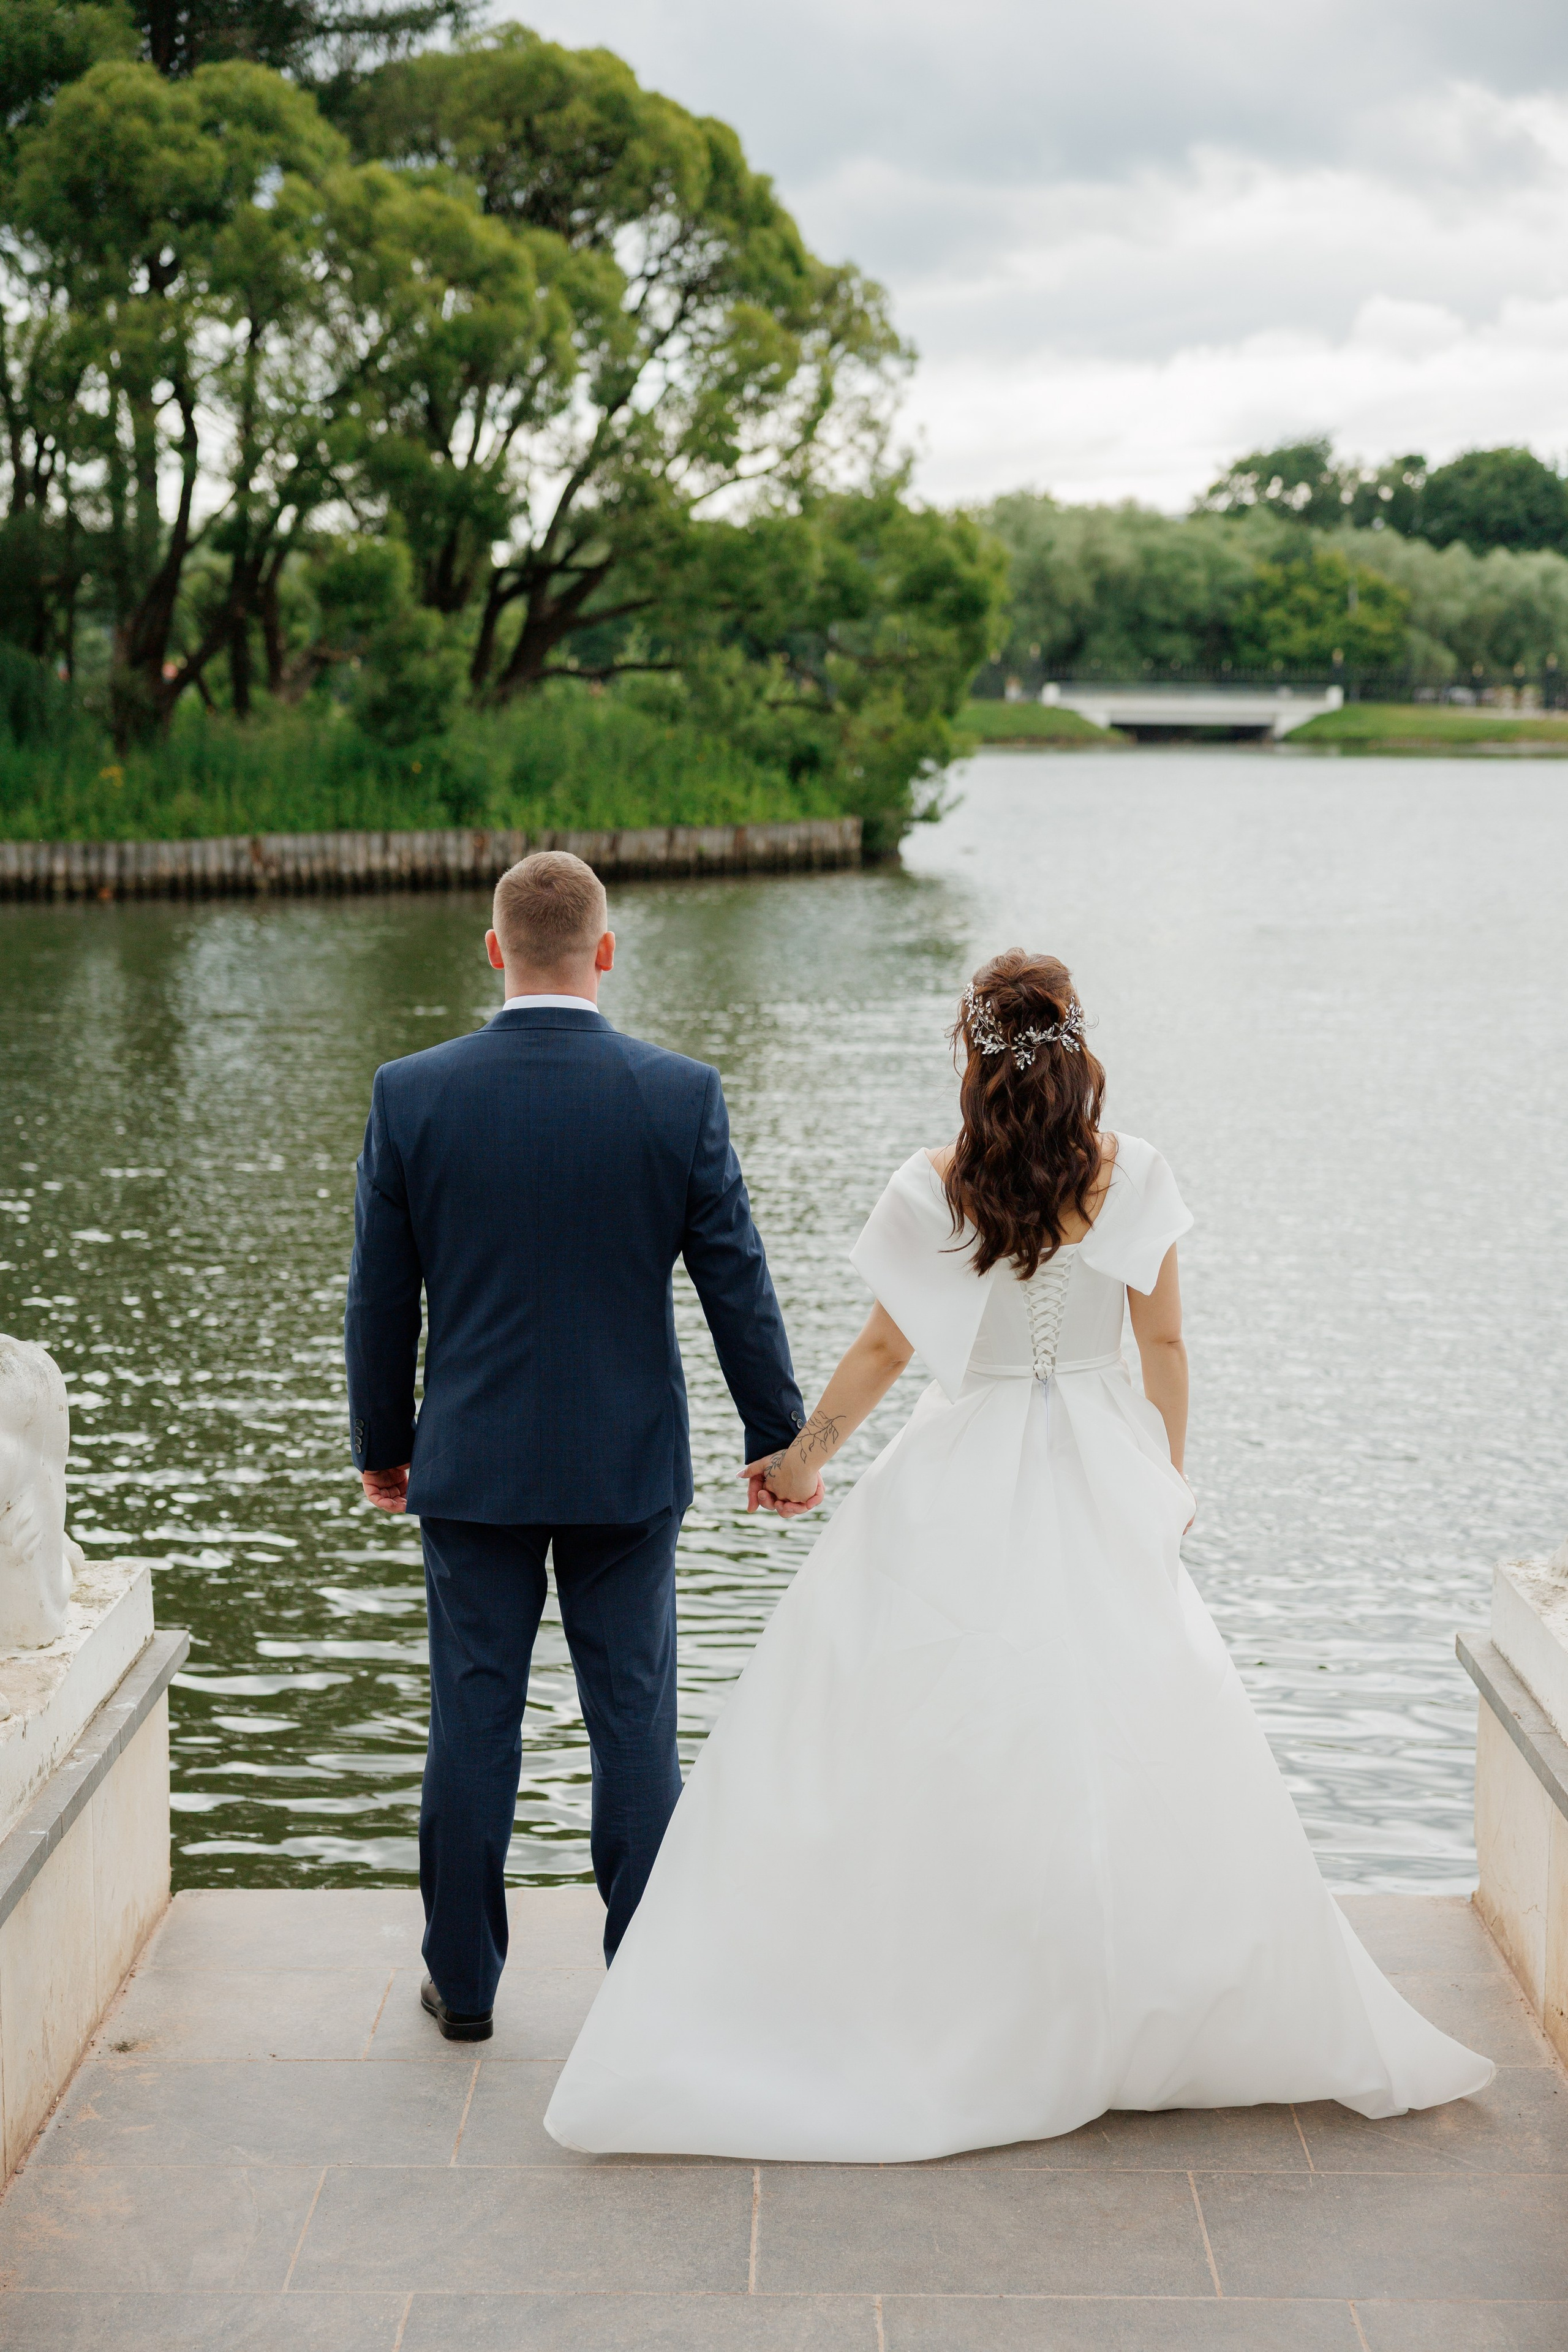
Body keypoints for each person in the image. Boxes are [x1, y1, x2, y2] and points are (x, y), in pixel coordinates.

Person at [543, 948, 1493, 2160]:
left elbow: (887, 1353)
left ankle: (961, 1984)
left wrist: (801, 1460)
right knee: (1128, 1724)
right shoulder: (1132, 1173)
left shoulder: (938, 1180)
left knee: (934, 1726)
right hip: (1101, 1457)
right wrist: (1164, 1476)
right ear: (1077, 1045)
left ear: (969, 1052)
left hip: (964, 1461)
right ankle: (1114, 1984)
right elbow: (1165, 1347)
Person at [344, 851, 809, 2042]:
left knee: (471, 1719)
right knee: (633, 1719)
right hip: (621, 1466)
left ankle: (466, 1987)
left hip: (473, 1464)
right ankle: (643, 1981)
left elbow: (378, 1301)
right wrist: (776, 1437)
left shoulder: (413, 1094)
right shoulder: (676, 1095)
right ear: (603, 952)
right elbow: (735, 1285)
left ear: (494, 949)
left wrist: (383, 1444)